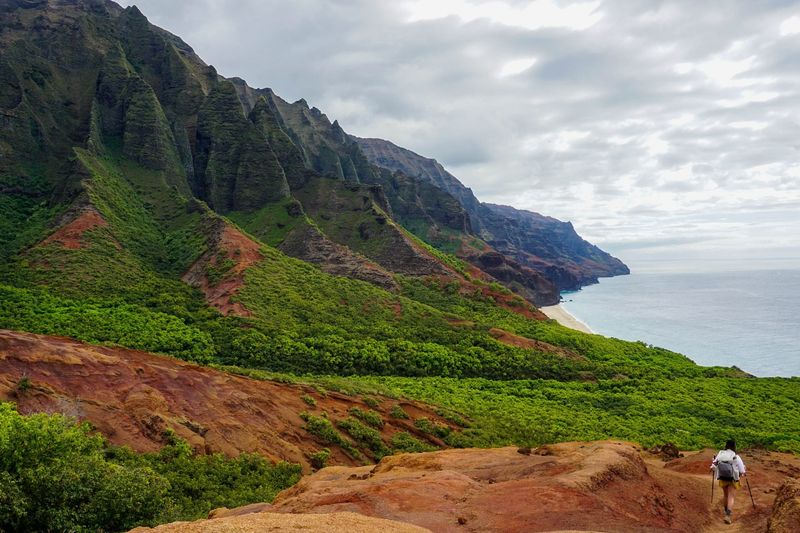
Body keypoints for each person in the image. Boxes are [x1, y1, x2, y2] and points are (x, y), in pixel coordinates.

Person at [711, 439, 746, 524]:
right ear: (734, 446)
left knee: (725, 495)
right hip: (733, 479)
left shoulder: (720, 453)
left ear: (726, 445)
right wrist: (744, 470)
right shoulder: (736, 456)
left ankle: (725, 511)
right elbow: (742, 471)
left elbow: (713, 464)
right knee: (731, 496)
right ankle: (728, 515)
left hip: (722, 477)